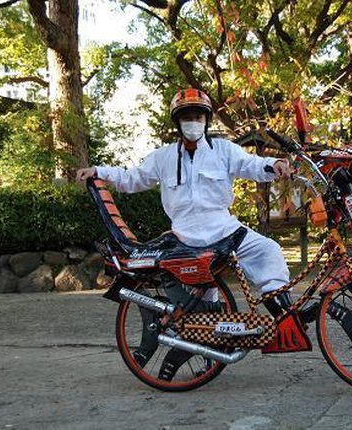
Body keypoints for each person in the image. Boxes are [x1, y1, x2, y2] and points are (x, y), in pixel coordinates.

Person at [76, 88, 312, 320]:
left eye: (198, 117)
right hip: (185, 238)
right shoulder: (163, 157)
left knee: (267, 250)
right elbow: (132, 178)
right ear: (177, 122)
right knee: (205, 306)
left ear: (206, 120)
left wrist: (275, 164)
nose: (193, 123)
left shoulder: (224, 150)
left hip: (224, 230)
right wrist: (99, 171)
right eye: (187, 118)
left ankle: (286, 315)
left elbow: (252, 164)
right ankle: (205, 331)